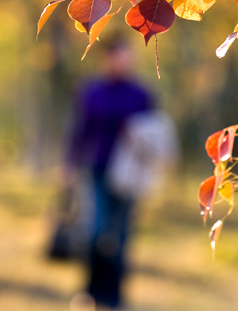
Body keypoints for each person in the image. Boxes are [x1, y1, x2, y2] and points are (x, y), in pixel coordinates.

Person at [64, 34, 154, 310]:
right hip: (98, 169)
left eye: (127, 55)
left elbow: (153, 133)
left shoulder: (141, 94)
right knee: (95, 231)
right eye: (118, 55)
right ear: (107, 58)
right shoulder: (92, 91)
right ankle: (91, 292)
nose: (123, 61)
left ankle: (114, 297)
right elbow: (81, 129)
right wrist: (70, 163)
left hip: (129, 174)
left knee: (121, 235)